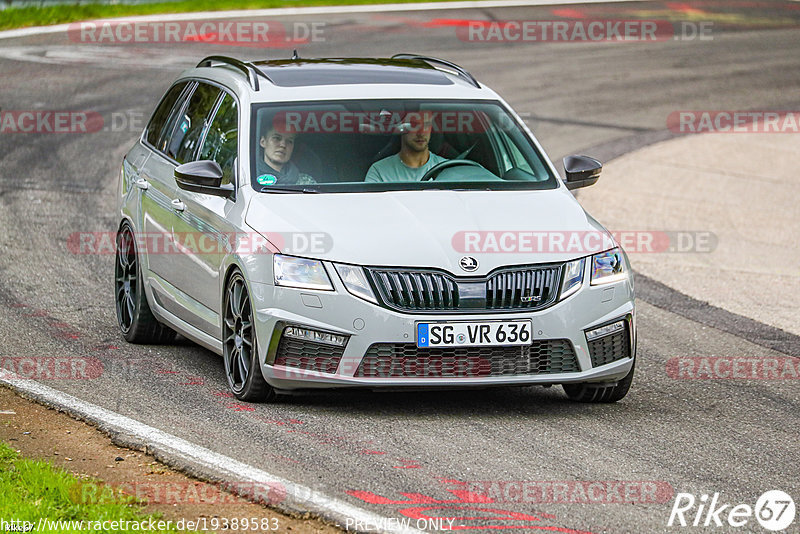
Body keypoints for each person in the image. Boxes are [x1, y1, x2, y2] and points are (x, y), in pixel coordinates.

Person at [365, 111, 446, 182]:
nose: (421, 133)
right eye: (413, 125)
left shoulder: (447, 169)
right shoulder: (380, 172)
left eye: (426, 125)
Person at [255, 117, 316, 187]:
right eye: (276, 138)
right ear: (263, 142)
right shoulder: (250, 179)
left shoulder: (305, 182)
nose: (283, 145)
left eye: (289, 141)